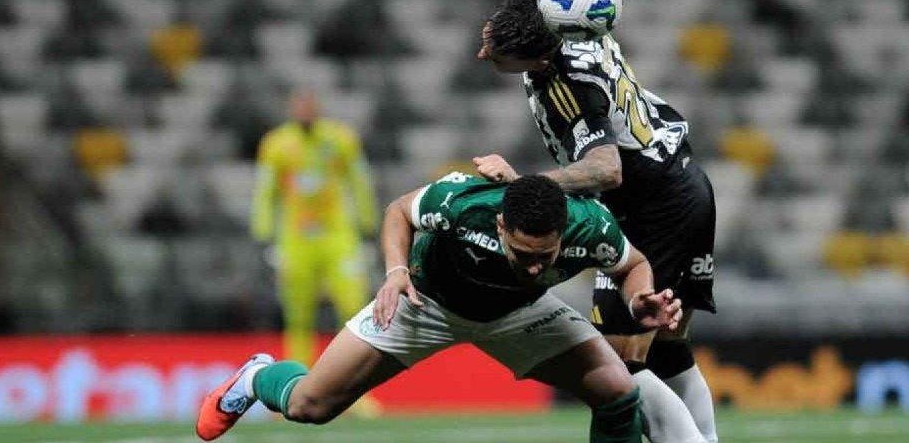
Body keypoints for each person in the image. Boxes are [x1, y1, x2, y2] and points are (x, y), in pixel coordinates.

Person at [474, 0, 720, 443]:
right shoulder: (565, 13)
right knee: (670, 347)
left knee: (620, 363)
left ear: (534, 59)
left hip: (650, 207)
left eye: (498, 54)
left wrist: (526, 187)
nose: (485, 54)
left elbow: (606, 169)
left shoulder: (565, 83)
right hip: (684, 181)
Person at [196, 173, 682, 442]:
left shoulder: (590, 226)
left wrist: (637, 298)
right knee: (309, 406)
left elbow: (633, 264)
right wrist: (395, 272)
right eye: (523, 254)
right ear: (500, 225)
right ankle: (256, 378)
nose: (536, 266)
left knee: (618, 391)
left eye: (546, 256)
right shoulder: (462, 202)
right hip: (424, 302)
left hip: (521, 313)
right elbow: (398, 211)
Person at [252, 88, 379, 370]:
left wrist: (368, 225)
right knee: (298, 317)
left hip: (338, 237)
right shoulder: (276, 144)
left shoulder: (340, 138)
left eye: (309, 106)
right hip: (296, 240)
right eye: (300, 106)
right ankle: (299, 381)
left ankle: (356, 385)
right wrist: (263, 234)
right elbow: (266, 191)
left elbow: (359, 181)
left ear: (318, 108)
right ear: (291, 109)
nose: (305, 111)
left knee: (354, 310)